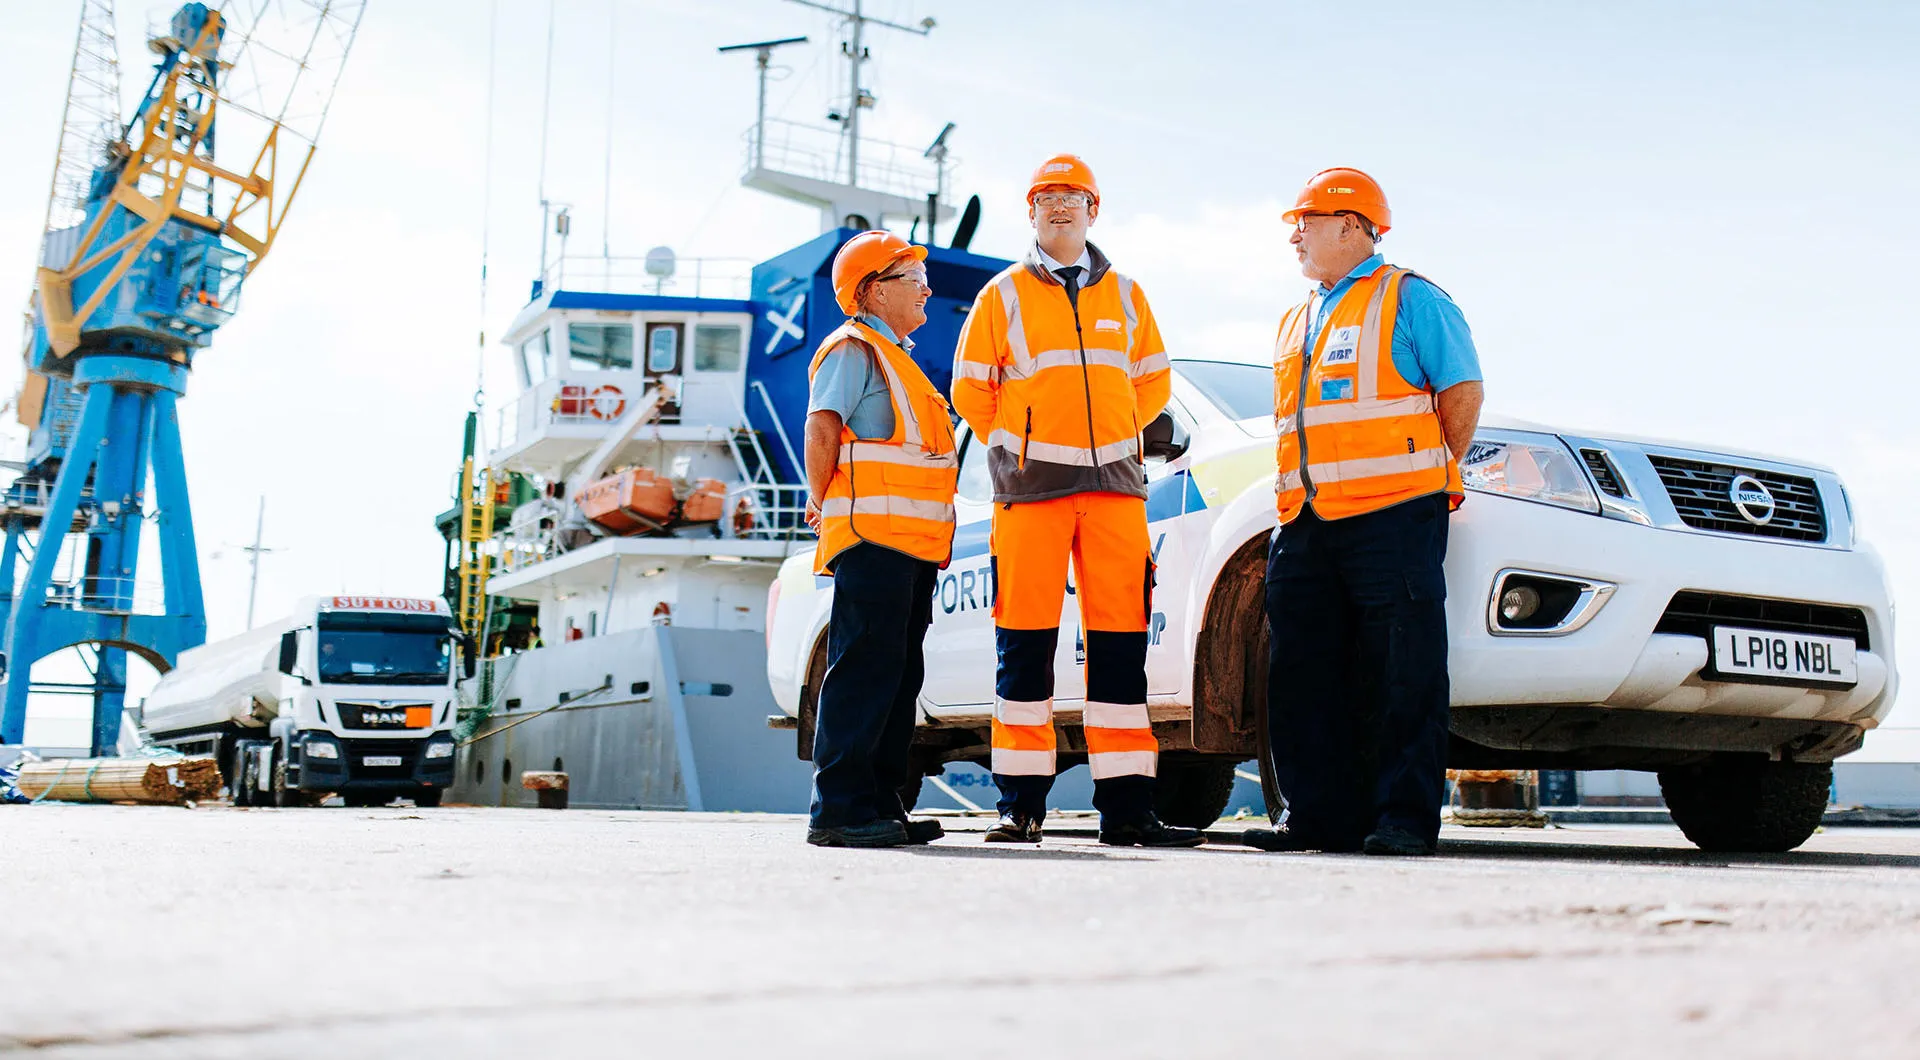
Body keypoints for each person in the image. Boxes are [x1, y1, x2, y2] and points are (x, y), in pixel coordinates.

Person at [951, 154, 1202, 848]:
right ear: (1030, 211)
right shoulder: (1001, 295)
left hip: (1115, 491)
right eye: (1046, 196)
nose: (1059, 205)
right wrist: (1024, 441)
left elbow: (1152, 384)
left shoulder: (1127, 294)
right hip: (1030, 493)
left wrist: (1112, 439)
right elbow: (970, 390)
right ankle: (1020, 808)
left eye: (1073, 196)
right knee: (1024, 648)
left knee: (1121, 650)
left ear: (1095, 210)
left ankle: (1128, 812)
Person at [1243, 168, 1485, 857]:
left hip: (1395, 515)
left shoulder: (1411, 297)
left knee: (1404, 670)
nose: (1295, 236)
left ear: (1352, 226)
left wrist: (1421, 472)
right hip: (1306, 521)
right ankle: (1317, 818)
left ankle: (1404, 819)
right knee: (1302, 671)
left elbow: (1462, 395)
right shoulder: (1296, 318)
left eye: (1306, 221)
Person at [803, 230, 959, 849]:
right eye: (912, 278)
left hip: (911, 545)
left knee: (897, 677)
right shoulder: (853, 348)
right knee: (864, 673)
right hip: (873, 539)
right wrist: (820, 498)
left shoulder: (898, 357)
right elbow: (822, 427)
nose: (926, 289)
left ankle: (881, 804)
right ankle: (838, 811)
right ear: (872, 291)